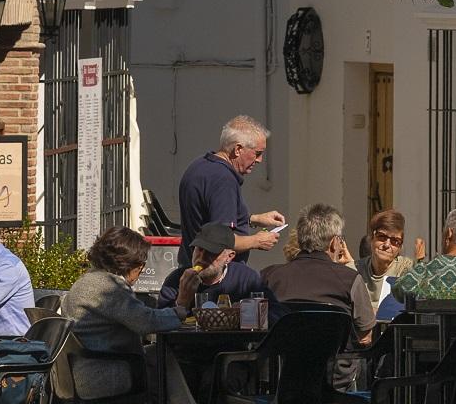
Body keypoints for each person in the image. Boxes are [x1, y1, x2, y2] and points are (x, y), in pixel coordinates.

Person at [61, 225, 232, 404]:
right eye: (140, 266)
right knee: (157, 364)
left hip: (83, 371)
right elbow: (147, 323)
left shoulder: (88, 281)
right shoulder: (108, 288)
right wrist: (182, 306)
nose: (140, 273)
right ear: (129, 264)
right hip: (96, 374)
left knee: (156, 359)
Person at [175, 115, 285, 267]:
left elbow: (209, 220)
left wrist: (253, 219)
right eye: (257, 153)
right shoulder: (223, 180)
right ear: (238, 149)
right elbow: (220, 241)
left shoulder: (199, 166)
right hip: (213, 277)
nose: (259, 160)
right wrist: (258, 240)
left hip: (192, 267)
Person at [262, 204, 377, 341]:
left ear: (299, 240)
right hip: (335, 360)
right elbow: (365, 335)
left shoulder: (269, 276)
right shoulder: (350, 279)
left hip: (282, 360)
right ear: (334, 242)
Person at [162, 222, 266, 308]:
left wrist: (246, 312)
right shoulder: (176, 280)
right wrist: (182, 301)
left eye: (211, 252)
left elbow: (275, 314)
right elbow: (161, 324)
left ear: (229, 257)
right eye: (199, 249)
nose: (201, 258)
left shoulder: (245, 278)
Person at [357, 210, 412, 314]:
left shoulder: (406, 270)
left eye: (395, 241)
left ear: (400, 247)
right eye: (382, 237)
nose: (387, 245)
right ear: (371, 238)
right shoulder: (353, 271)